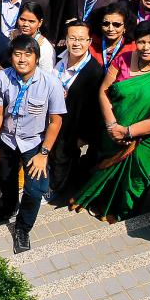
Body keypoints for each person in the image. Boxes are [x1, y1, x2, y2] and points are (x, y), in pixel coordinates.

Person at [71, 20, 150, 222]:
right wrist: (112, 125)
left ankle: (120, 210)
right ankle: (95, 200)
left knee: (133, 177)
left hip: (145, 139)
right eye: (141, 42)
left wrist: (128, 131)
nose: (146, 48)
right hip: (112, 129)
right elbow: (104, 91)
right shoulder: (124, 58)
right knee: (102, 166)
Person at [0, 35, 66, 253]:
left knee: (35, 189)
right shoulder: (1, 78)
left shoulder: (51, 83)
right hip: (7, 140)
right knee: (7, 179)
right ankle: (8, 209)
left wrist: (44, 153)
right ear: (11, 57)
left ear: (37, 58)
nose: (22, 59)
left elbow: (55, 121)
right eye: (17, 54)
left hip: (35, 143)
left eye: (28, 54)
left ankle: (23, 227)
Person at [48, 20, 104, 199]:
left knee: (62, 157)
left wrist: (84, 136)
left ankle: (55, 188)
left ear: (89, 42)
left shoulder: (94, 72)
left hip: (71, 126)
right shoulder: (58, 57)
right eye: (72, 38)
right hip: (49, 118)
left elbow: (93, 109)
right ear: (66, 39)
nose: (77, 43)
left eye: (82, 39)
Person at [89, 2, 137, 73]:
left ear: (125, 27)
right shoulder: (90, 44)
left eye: (116, 24)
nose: (110, 29)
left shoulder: (133, 48)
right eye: (105, 24)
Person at [13, 2, 56, 73]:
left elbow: (46, 77)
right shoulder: (9, 35)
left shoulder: (45, 49)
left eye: (31, 21)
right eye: (22, 19)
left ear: (40, 23)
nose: (26, 24)